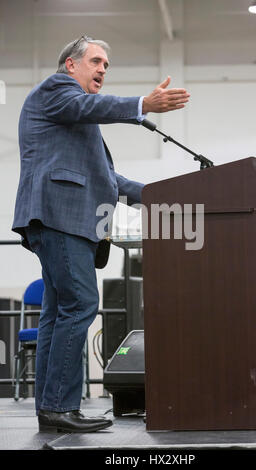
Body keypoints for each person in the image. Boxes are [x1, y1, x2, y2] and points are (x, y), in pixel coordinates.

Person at [12, 35, 190, 433]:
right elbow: (89, 106)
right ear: (71, 65)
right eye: (96, 61)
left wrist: (160, 196)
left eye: (107, 65)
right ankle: (59, 405)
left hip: (65, 221)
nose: (103, 70)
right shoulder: (58, 90)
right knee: (81, 303)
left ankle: (52, 407)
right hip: (60, 216)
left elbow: (108, 179)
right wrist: (142, 105)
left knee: (59, 313)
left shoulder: (73, 119)